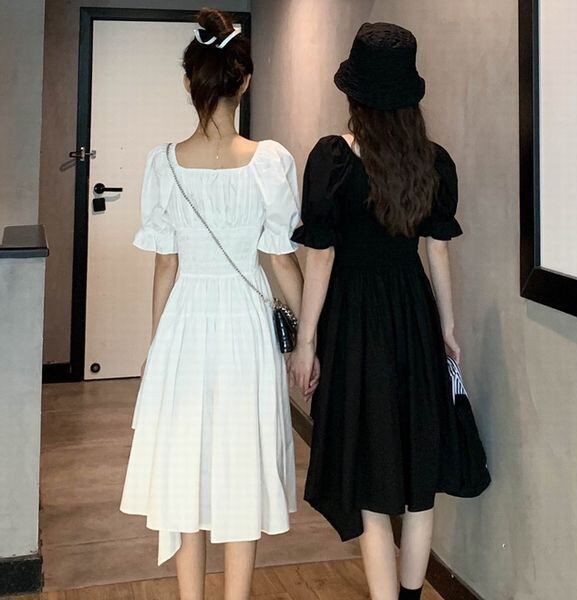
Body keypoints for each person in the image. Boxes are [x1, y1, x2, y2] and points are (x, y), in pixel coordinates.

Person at [290, 22, 486, 600]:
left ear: (354, 96)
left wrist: (306, 342)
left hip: (355, 324)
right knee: (417, 475)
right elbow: (437, 250)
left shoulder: (333, 160)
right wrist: (446, 328)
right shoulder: (433, 162)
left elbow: (322, 258)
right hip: (413, 316)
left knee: (371, 476)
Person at [120, 9, 304, 600]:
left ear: (188, 82)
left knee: (186, 471)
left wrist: (156, 345)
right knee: (241, 464)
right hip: (246, 326)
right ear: (244, 80)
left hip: (184, 326)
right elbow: (280, 260)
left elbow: (165, 265)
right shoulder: (271, 161)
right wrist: (309, 336)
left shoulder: (164, 163)